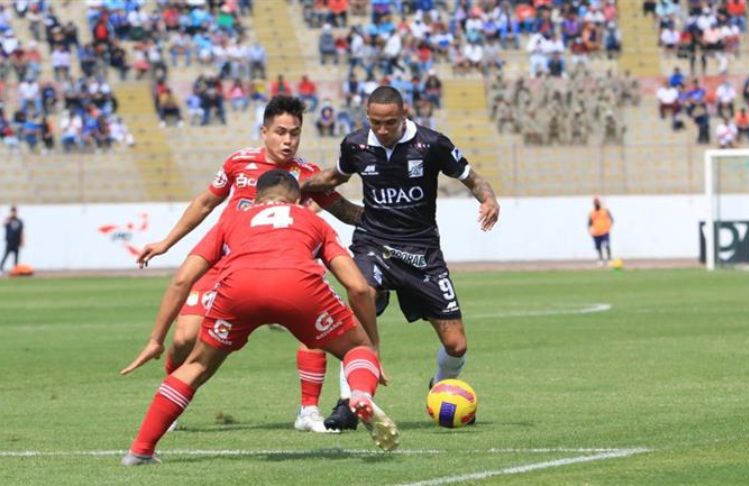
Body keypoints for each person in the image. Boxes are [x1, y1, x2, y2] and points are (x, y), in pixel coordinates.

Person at [120, 170, 399, 466]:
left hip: (238, 289)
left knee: (197, 366)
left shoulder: (231, 221)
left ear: (255, 199)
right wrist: (372, 346)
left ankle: (140, 450)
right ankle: (359, 395)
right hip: (299, 287)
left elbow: (182, 281)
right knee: (357, 350)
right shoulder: (313, 221)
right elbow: (357, 287)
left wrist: (155, 339)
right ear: (298, 199)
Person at [135, 96, 364, 434]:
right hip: (222, 264)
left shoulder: (308, 175)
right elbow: (204, 203)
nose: (288, 141)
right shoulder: (238, 163)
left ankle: (308, 410)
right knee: (184, 339)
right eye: (281, 132)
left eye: (295, 134)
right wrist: (166, 243)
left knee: (314, 333)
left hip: (283, 267)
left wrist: (392, 219)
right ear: (265, 131)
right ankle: (172, 402)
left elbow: (343, 211)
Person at [301, 86, 499, 430]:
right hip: (374, 244)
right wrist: (296, 185)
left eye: (389, 122)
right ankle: (349, 403)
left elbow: (473, 178)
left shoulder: (432, 144)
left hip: (423, 252)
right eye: (375, 122)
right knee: (360, 295)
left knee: (456, 345)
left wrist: (489, 199)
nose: (382, 130)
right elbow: (334, 178)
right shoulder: (355, 145)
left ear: (404, 114)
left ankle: (440, 386)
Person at [588, 197, 613, 266]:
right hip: (596, 233)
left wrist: (609, 227)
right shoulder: (592, 213)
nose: (596, 204)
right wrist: (590, 230)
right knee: (598, 247)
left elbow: (611, 219)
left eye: (597, 202)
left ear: (600, 203)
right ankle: (601, 259)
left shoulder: (605, 211)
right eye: (595, 203)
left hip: (605, 232)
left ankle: (609, 259)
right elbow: (589, 223)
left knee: (606, 245)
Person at [1, 206, 23, 273]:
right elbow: (3, 224)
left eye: (15, 211)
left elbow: (21, 232)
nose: (14, 213)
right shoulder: (8, 219)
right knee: (5, 256)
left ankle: (15, 270)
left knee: (16, 258)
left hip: (17, 242)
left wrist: (22, 241)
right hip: (9, 242)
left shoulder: (19, 221)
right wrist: (8, 219)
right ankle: (1, 268)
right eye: (12, 211)